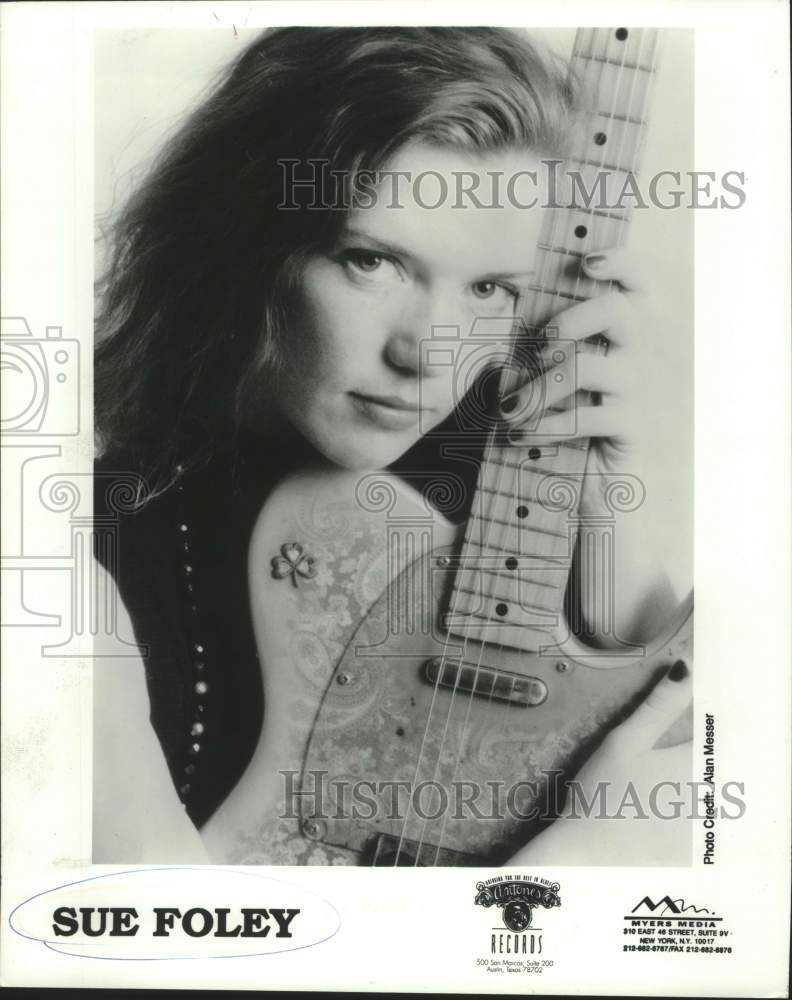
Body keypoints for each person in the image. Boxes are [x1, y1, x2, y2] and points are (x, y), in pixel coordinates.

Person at [94, 26, 692, 864]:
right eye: (371, 261)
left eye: (490, 288)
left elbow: (686, 783)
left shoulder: (521, 494)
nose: (426, 351)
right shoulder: (87, 550)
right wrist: (573, 865)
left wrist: (610, 503)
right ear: (246, 245)